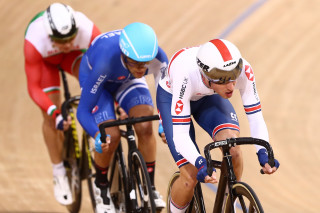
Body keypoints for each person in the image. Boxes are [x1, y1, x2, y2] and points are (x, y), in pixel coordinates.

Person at [156, 38, 280, 212]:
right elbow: (181, 136)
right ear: (207, 75)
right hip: (172, 96)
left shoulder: (243, 69)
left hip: (209, 96)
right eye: (223, 79)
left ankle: (226, 207)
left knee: (234, 150)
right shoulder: (186, 74)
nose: (231, 86)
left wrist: (263, 152)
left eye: (233, 77)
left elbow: (255, 117)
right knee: (189, 177)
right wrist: (199, 162)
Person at [76, 22, 168, 213]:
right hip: (98, 81)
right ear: (124, 55)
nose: (142, 69)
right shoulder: (105, 61)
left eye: (145, 64)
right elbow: (82, 111)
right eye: (136, 63)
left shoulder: (157, 58)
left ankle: (148, 187)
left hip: (126, 80)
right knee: (111, 136)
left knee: (144, 126)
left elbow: (165, 96)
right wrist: (96, 134)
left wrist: (165, 123)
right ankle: (101, 186)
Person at [24, 2, 101, 205]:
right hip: (45, 63)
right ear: (49, 36)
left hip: (73, 58)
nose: (67, 43)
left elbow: (104, 64)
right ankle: (58, 172)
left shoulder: (86, 27)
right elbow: (33, 88)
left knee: (93, 86)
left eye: (70, 38)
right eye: (61, 40)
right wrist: (54, 113)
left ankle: (95, 136)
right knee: (51, 115)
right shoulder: (34, 39)